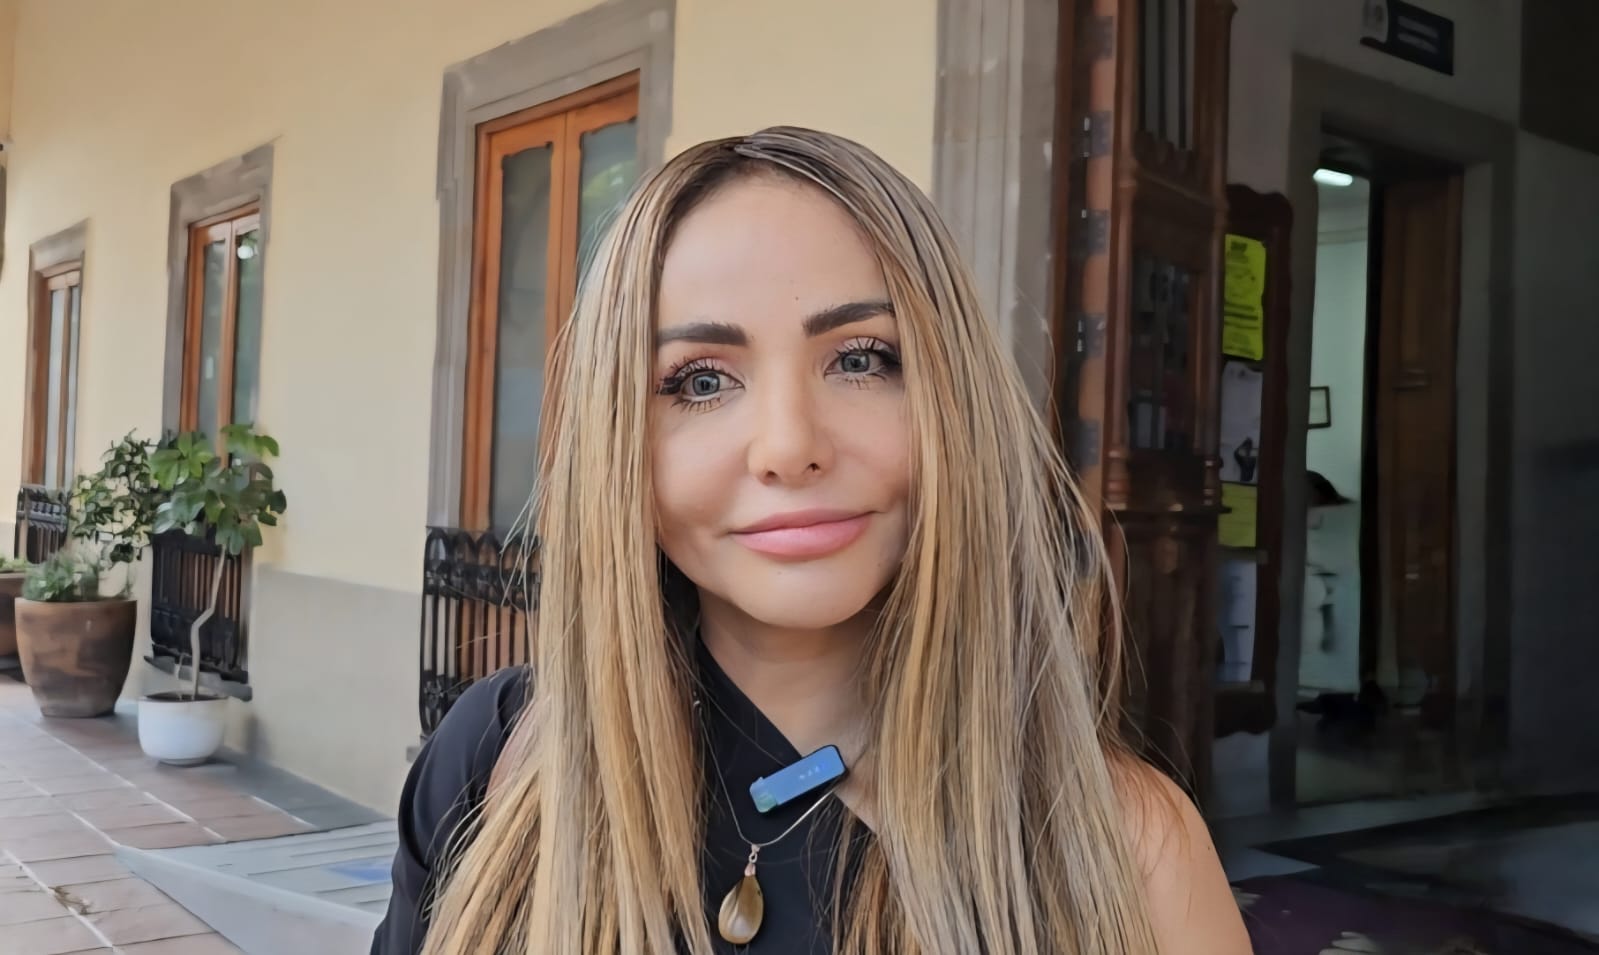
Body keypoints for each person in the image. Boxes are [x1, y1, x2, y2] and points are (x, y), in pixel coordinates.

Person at [371, 127, 1249, 955]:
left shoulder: (1130, 852)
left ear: (955, 403)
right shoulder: (498, 762)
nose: (789, 446)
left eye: (860, 358)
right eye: (700, 381)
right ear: (618, 441)